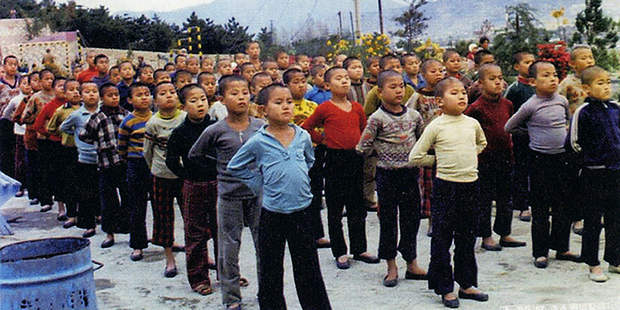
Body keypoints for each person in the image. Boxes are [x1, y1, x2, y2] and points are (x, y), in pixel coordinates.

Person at [228, 84, 332, 310]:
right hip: (272, 214)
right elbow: (235, 166)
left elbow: (309, 161)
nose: (286, 106)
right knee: (271, 271)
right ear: (263, 109)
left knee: (309, 268)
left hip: (302, 212)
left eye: (289, 102)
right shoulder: (258, 141)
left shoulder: (302, 136)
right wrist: (260, 185)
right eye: (278, 102)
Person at [409, 77, 488, 308]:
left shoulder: (472, 123)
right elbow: (415, 157)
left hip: (471, 185)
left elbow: (481, 144)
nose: (462, 96)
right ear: (440, 101)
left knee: (467, 237)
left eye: (464, 92)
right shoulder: (436, 125)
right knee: (442, 238)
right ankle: (445, 288)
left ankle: (466, 284)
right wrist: (439, 159)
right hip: (446, 187)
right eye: (454, 93)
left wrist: (468, 156)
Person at [188, 75, 264, 310]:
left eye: (244, 92)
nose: (241, 97)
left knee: (264, 244)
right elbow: (195, 154)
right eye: (234, 93)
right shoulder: (216, 130)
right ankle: (232, 297)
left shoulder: (260, 127)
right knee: (229, 247)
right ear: (221, 99)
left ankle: (267, 290)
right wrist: (222, 169)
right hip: (229, 196)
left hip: (257, 196)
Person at [504, 61, 580, 269]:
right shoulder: (530, 105)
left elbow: (566, 121)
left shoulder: (562, 101)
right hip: (540, 161)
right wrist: (532, 135)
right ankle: (540, 252)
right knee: (540, 208)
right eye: (546, 76)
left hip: (562, 159)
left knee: (563, 205)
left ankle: (562, 248)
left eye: (554, 75)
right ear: (533, 82)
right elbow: (510, 126)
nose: (553, 79)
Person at [302, 67, 379, 270]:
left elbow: (364, 130)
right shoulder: (325, 108)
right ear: (327, 85)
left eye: (346, 78)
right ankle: (340, 251)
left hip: (355, 158)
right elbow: (306, 127)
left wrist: (364, 148)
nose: (344, 81)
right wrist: (323, 140)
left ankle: (359, 248)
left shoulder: (356, 107)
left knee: (357, 205)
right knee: (335, 208)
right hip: (335, 159)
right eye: (338, 78)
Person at [356, 70, 426, 287]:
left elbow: (423, 140)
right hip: (387, 176)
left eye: (401, 86)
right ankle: (391, 266)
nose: (398, 91)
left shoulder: (414, 116)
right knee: (388, 221)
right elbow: (362, 147)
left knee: (411, 219)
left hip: (410, 175)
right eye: (392, 87)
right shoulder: (376, 119)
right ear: (379, 91)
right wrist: (379, 153)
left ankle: (411, 263)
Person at [566, 66, 620, 282]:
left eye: (608, 82)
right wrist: (592, 161)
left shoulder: (616, 109)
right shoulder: (583, 112)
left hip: (616, 173)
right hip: (594, 175)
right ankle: (593, 263)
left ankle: (614, 260)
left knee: (616, 219)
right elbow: (573, 143)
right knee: (593, 221)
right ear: (586, 88)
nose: (606, 87)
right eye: (600, 83)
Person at [464, 64, 526, 251]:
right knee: (484, 199)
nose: (498, 82)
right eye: (492, 79)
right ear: (481, 83)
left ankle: (505, 234)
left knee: (505, 198)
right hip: (484, 160)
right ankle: (486, 236)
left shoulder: (507, 104)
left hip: (506, 157)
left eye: (500, 78)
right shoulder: (476, 108)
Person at [166, 84, 218, 295]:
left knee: (222, 232)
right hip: (193, 186)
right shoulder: (179, 132)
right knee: (194, 233)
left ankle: (227, 274)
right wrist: (185, 176)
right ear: (183, 106)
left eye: (203, 99)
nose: (200, 104)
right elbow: (171, 160)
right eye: (194, 101)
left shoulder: (217, 128)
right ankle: (198, 279)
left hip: (218, 184)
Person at [144, 81, 187, 278]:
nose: (169, 96)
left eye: (172, 92)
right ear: (155, 101)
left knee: (191, 216)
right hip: (161, 175)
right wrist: (156, 169)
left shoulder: (186, 118)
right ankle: (169, 258)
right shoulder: (153, 123)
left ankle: (199, 255)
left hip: (185, 175)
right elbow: (147, 152)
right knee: (163, 216)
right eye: (163, 93)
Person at [283, 68, 330, 248]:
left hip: (314, 152)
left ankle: (317, 234)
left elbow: (321, 128)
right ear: (286, 85)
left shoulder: (312, 106)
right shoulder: (284, 107)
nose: (301, 85)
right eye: (295, 82)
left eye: (303, 81)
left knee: (315, 192)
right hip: (291, 154)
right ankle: (293, 234)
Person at [79, 83, 130, 249]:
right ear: (102, 98)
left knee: (128, 198)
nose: (114, 98)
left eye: (116, 94)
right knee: (108, 200)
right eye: (110, 95)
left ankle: (129, 230)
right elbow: (84, 135)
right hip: (106, 164)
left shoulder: (126, 115)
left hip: (124, 163)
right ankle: (109, 233)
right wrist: (99, 144)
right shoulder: (97, 117)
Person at [59, 81, 101, 238]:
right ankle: (88, 224)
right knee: (86, 192)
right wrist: (77, 137)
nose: (91, 94)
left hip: (103, 157)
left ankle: (101, 215)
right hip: (85, 157)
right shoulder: (77, 115)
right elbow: (63, 128)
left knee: (101, 190)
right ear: (82, 96)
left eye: (94, 91)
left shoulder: (103, 112)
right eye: (87, 91)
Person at [118, 82, 153, 262]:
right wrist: (131, 161)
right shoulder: (127, 121)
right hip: (136, 165)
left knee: (161, 206)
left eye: (147, 93)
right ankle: (138, 245)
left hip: (154, 166)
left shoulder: (156, 118)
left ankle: (165, 240)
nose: (144, 97)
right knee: (137, 207)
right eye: (139, 95)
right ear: (130, 100)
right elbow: (121, 147)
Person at [504, 51, 536, 222]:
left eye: (533, 61)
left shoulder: (539, 85)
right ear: (517, 67)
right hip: (521, 137)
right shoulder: (514, 89)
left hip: (538, 136)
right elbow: (507, 111)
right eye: (526, 62)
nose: (531, 65)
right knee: (521, 171)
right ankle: (523, 206)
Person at [45, 79, 81, 229]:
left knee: (86, 182)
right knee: (70, 182)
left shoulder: (87, 109)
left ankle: (89, 213)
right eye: (71, 89)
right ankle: (71, 214)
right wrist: (65, 134)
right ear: (65, 93)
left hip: (86, 150)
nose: (76, 92)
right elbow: (50, 128)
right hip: (68, 149)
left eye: (78, 89)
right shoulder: (61, 110)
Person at [32, 77, 67, 215]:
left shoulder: (75, 105)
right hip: (55, 144)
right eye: (60, 86)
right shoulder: (51, 105)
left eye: (66, 86)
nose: (63, 89)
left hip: (73, 145)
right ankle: (61, 208)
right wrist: (50, 134)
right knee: (58, 176)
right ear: (53, 89)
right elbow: (37, 125)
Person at [21, 70, 54, 207]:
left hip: (57, 137)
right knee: (41, 168)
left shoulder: (57, 96)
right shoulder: (36, 98)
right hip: (40, 137)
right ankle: (42, 198)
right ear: (40, 81)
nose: (50, 81)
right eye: (46, 79)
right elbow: (24, 117)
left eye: (52, 78)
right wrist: (40, 119)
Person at [559, 45, 595, 114]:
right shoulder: (567, 83)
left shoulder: (598, 81)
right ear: (572, 63)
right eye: (584, 58)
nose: (589, 61)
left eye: (591, 58)